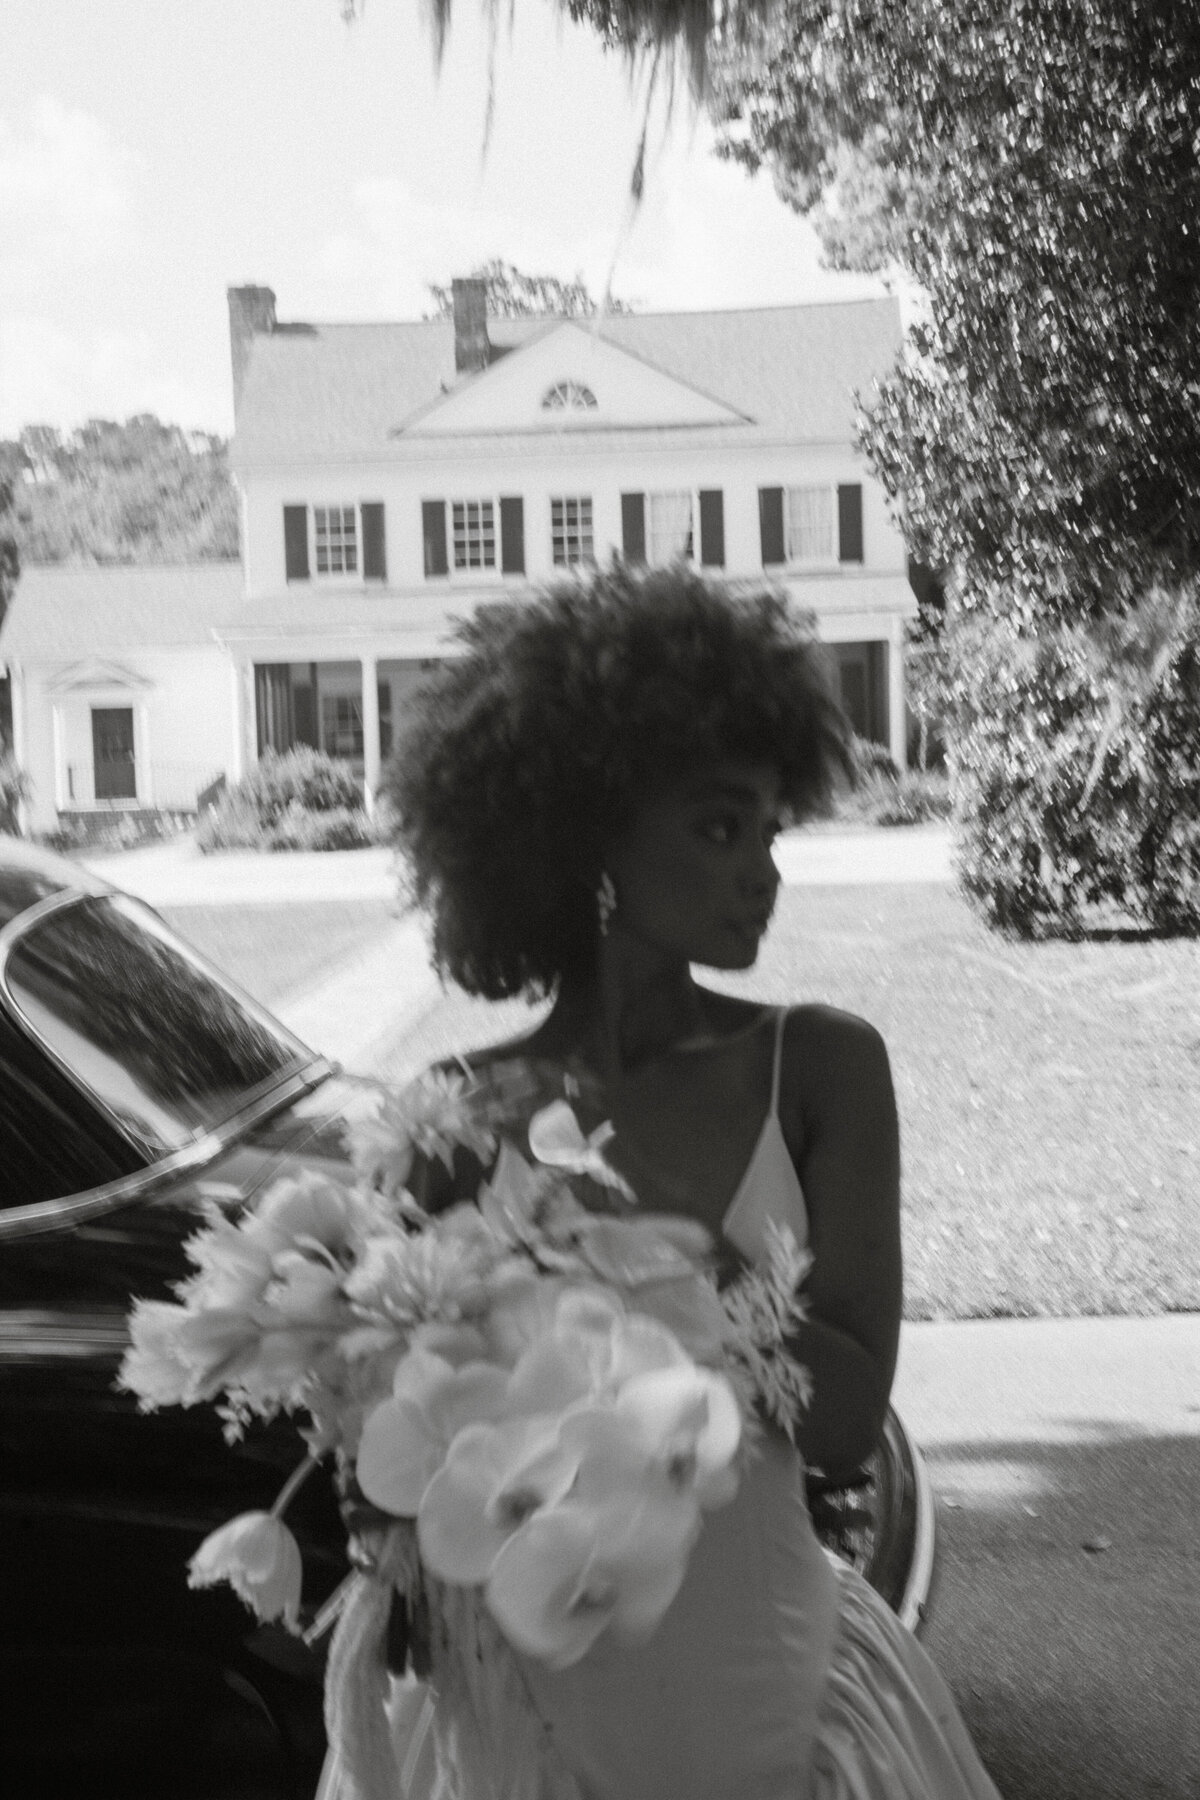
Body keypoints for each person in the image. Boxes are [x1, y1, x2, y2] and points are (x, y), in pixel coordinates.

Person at [371, 563, 1001, 1800]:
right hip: (526, 1723)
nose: (763, 870)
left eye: (769, 829)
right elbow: (402, 1444)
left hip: (766, 1701)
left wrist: (667, 1261)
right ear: (586, 838)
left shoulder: (819, 1066)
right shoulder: (459, 1114)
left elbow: (842, 1421)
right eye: (719, 828)